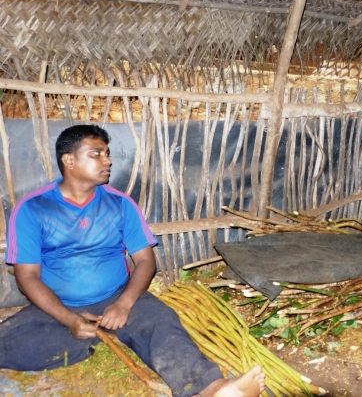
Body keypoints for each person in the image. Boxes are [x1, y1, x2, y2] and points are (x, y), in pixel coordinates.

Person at [0, 124, 265, 397]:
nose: (108, 160)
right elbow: (27, 277)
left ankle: (212, 389)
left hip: (115, 296)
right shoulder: (33, 208)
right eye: (97, 153)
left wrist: (124, 305)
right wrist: (68, 318)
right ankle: (91, 336)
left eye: (108, 153)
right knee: (8, 341)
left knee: (161, 321)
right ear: (69, 160)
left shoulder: (120, 204)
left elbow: (146, 261)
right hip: (57, 305)